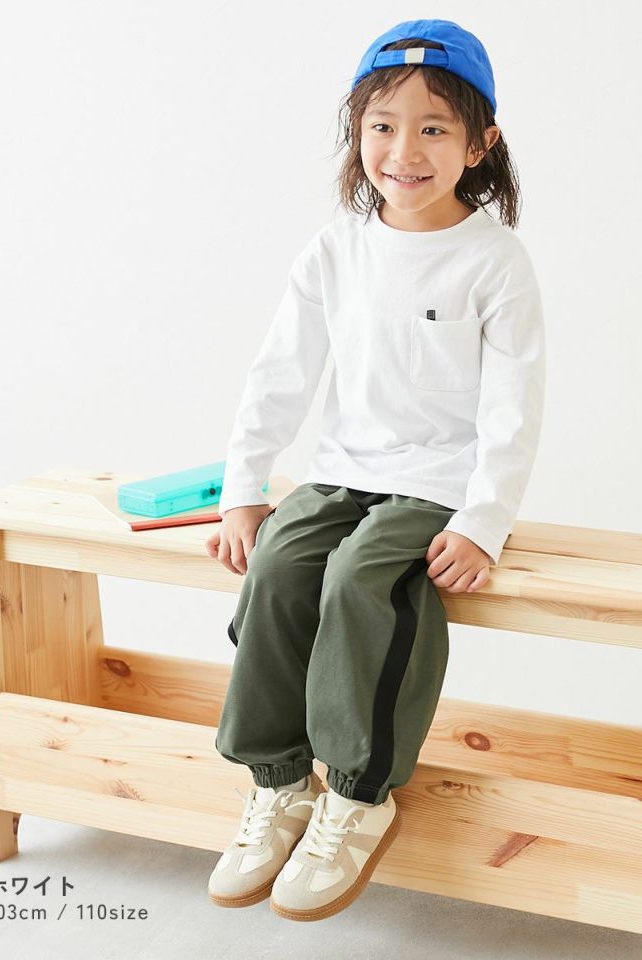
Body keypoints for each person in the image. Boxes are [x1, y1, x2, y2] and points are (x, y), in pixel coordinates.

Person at [205, 19, 546, 922]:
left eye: (435, 128)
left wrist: (483, 522)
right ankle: (279, 782)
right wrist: (244, 490)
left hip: (440, 484)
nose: (405, 150)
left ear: (481, 144)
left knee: (363, 577)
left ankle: (358, 796)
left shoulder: (494, 261)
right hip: (342, 470)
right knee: (280, 565)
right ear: (356, 134)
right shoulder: (336, 248)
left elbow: (514, 406)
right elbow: (280, 373)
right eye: (383, 126)